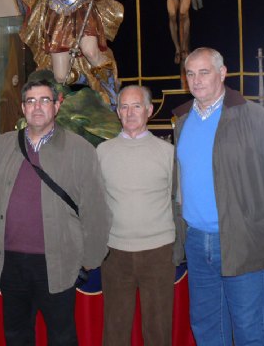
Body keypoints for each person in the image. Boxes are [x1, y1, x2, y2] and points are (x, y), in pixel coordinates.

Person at [173, 47, 264, 345]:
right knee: (208, 328)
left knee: (252, 330)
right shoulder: (183, 120)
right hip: (197, 242)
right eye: (190, 73)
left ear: (222, 73)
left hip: (243, 240)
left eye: (204, 72)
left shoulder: (257, 118)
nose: (196, 80)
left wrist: (256, 226)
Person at [0, 79, 110, 346]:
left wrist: (89, 259)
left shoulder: (80, 149)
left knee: (61, 336)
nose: (37, 107)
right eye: (31, 101)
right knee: (16, 335)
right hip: (11, 262)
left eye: (44, 100)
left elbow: (95, 208)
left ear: (57, 106)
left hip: (58, 261)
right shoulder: (0, 147)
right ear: (22, 107)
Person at [97, 85, 175, 345]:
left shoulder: (168, 153)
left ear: (149, 110)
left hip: (158, 253)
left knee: (158, 330)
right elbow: (97, 202)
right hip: (115, 253)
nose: (130, 113)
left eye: (137, 106)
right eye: (124, 107)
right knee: (115, 330)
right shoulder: (102, 152)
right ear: (118, 112)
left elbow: (176, 200)